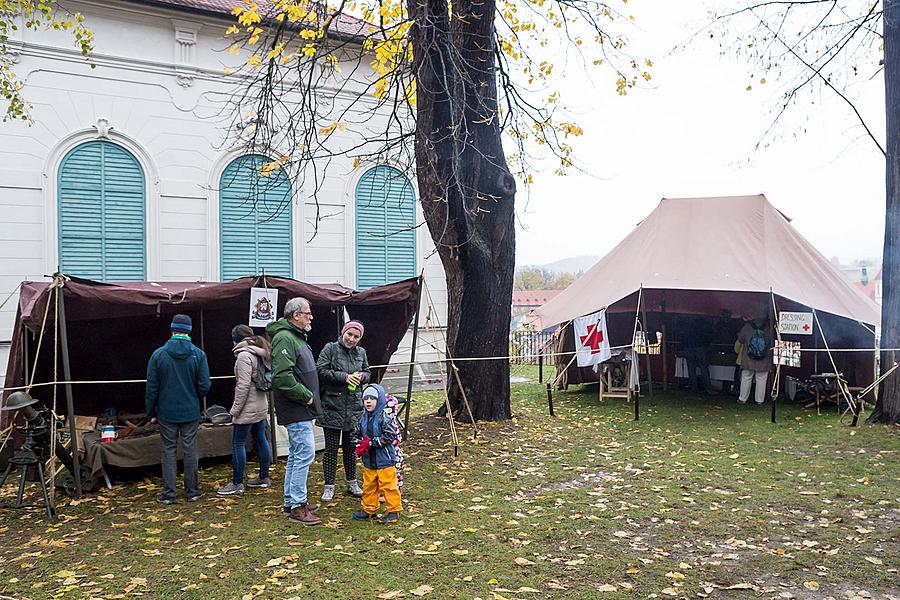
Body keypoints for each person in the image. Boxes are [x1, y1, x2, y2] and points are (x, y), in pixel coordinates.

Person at [267, 297, 322, 525]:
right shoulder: (285, 337)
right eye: (307, 313)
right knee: (305, 454)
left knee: (296, 455)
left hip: (301, 407)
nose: (311, 316)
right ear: (295, 315)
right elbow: (282, 376)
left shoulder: (295, 337)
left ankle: (292, 501)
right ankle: (299, 506)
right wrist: (306, 395)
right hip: (296, 407)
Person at [145, 314, 211, 505]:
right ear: (189, 330)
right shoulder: (199, 354)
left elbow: (152, 387)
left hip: (166, 411)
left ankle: (169, 493)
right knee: (190, 450)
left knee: (168, 450)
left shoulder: (158, 355)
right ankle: (193, 492)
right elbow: (205, 385)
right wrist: (195, 397)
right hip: (190, 410)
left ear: (172, 329)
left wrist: (151, 412)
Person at [316, 320, 370, 501]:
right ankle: (329, 486)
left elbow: (367, 372)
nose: (351, 339)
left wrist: (362, 377)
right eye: (349, 334)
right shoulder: (330, 349)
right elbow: (320, 370)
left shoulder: (361, 352)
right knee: (331, 449)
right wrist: (344, 377)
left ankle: (352, 482)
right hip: (332, 406)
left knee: (350, 448)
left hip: (353, 407)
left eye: (356, 337)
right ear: (343, 332)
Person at [218, 324, 273, 496]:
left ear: (235, 340)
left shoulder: (243, 356)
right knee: (261, 439)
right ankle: (264, 477)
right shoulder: (260, 351)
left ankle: (237, 483)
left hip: (247, 408)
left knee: (238, 443)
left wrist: (234, 410)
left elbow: (242, 386)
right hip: (261, 404)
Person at [351, 384, 402, 524]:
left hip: (385, 460)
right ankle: (369, 509)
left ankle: (394, 510)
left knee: (389, 485)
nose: (368, 401)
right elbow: (354, 434)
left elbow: (389, 436)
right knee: (369, 486)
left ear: (379, 400)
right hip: (369, 460)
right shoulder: (362, 419)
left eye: (372, 398)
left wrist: (372, 443)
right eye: (366, 398)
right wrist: (358, 443)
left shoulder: (385, 418)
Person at [737, 315, 773, 405]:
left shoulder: (747, 326)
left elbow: (740, 339)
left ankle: (742, 399)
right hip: (764, 358)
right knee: (761, 379)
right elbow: (772, 340)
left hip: (749, 358)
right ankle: (759, 400)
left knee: (746, 377)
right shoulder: (769, 328)